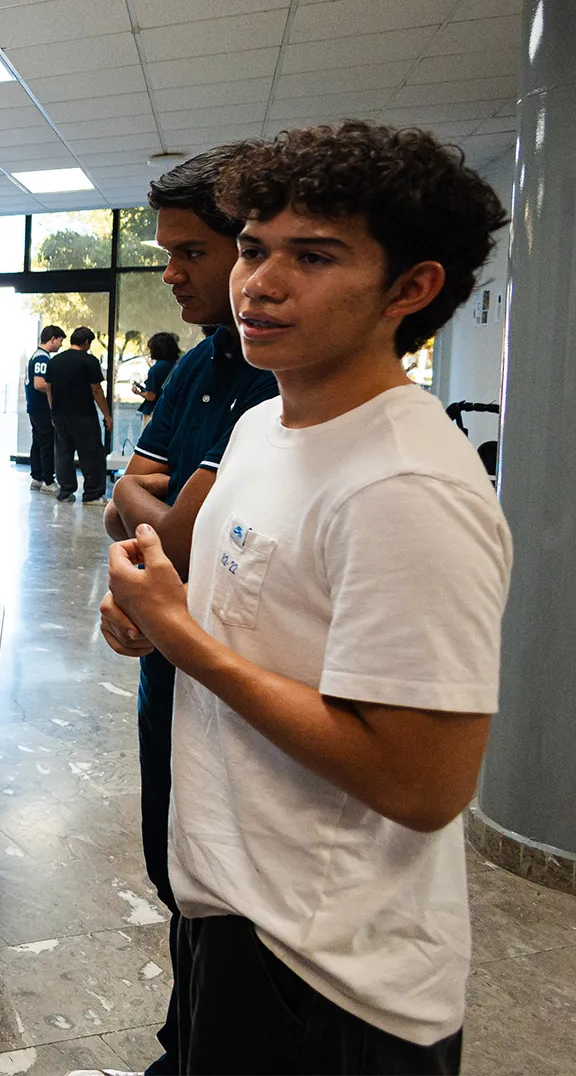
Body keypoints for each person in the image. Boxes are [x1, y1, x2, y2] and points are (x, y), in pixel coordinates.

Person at [102, 121, 511, 1074]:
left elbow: (422, 784)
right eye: (252, 248)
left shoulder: (407, 487)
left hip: (333, 973)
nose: (260, 282)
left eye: (313, 256)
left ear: (410, 289)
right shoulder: (258, 428)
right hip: (234, 903)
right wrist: (160, 614)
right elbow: (254, 623)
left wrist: (183, 636)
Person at [101, 142, 279, 1076]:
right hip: (167, 678)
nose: (172, 272)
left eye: (194, 253)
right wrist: (154, 520)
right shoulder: (199, 364)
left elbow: (168, 532)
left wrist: (152, 521)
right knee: (178, 877)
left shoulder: (270, 380)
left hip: (234, 697)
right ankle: (185, 1044)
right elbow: (127, 496)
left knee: (228, 904)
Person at [36, 327, 111, 504]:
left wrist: (53, 410)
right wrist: (106, 415)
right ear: (86, 342)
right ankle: (92, 494)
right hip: (84, 415)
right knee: (91, 454)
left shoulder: (55, 361)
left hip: (60, 415)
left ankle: (65, 491)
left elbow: (48, 387)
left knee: (63, 453)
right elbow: (96, 390)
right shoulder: (89, 361)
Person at [26, 325, 65, 491]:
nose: (61, 345)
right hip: (41, 408)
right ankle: (48, 481)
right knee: (47, 443)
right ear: (53, 339)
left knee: (38, 442)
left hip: (34, 407)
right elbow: (39, 383)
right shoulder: (42, 359)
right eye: (60, 341)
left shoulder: (37, 356)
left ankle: (37, 476)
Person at [134, 332, 182, 429]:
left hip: (154, 411)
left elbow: (151, 396)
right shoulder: (179, 366)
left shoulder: (155, 369)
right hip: (172, 412)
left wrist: (139, 393)